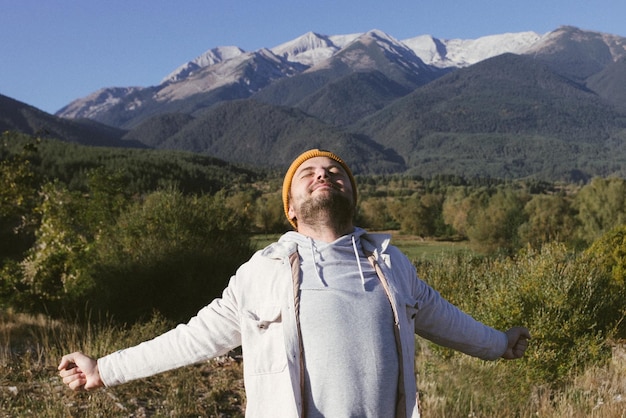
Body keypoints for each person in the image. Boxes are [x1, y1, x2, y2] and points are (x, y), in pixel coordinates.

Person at [59, 148, 530, 417]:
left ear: (350, 195)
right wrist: (106, 369)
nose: (322, 175)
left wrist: (498, 343)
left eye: (334, 172)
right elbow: (193, 337)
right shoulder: (261, 271)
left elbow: (442, 316)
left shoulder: (390, 263)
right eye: (308, 174)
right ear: (290, 208)